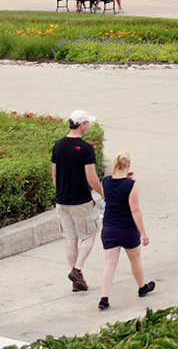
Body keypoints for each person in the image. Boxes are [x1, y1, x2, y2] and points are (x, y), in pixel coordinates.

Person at [94, 151, 154, 310]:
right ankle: (142, 287)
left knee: (109, 264)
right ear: (128, 166)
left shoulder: (105, 181)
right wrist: (143, 233)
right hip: (127, 229)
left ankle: (104, 298)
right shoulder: (131, 185)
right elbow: (135, 210)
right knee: (135, 260)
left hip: (109, 228)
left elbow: (106, 199)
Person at [52, 110, 104, 291]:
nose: (88, 127)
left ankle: (76, 282)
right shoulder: (86, 149)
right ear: (82, 125)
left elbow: (54, 174)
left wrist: (60, 192)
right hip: (81, 201)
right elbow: (91, 177)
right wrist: (103, 191)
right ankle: (77, 269)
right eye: (87, 124)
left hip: (62, 201)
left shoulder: (57, 146)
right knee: (89, 235)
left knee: (70, 238)